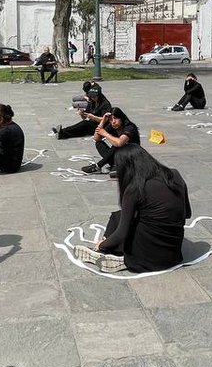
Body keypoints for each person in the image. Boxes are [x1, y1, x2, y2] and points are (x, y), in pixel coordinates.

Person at [72, 145, 193, 274]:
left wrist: (102, 244)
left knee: (117, 218)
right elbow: (187, 214)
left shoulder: (135, 188)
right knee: (124, 217)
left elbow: (122, 233)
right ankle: (111, 250)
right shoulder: (174, 174)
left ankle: (106, 250)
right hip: (173, 254)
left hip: (147, 257)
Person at [82, 106, 140, 175]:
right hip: (120, 156)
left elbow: (120, 143)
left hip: (131, 157)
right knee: (99, 144)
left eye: (115, 118)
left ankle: (98, 166)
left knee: (116, 145)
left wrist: (105, 134)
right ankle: (115, 166)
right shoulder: (112, 126)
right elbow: (96, 138)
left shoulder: (129, 127)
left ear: (121, 118)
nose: (113, 122)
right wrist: (103, 122)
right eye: (111, 120)